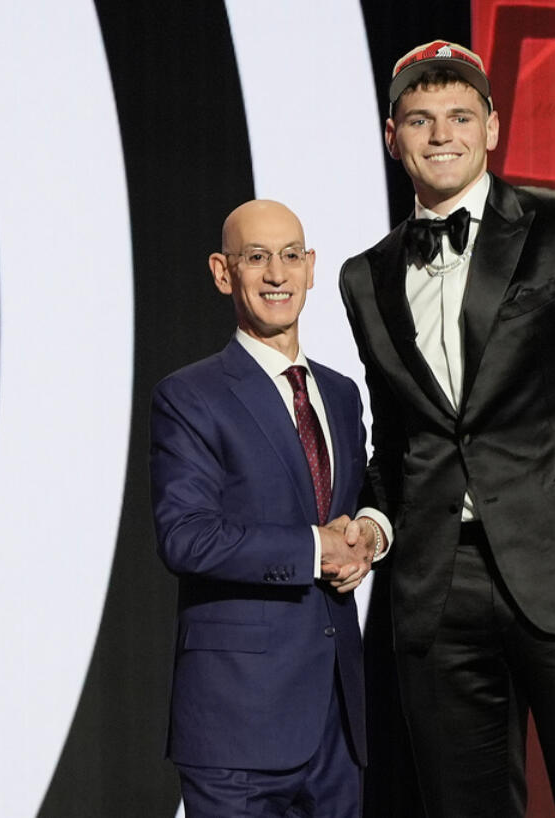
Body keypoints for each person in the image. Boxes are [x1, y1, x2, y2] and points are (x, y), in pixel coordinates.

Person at [339, 40, 555, 817]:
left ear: (491, 127)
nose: (441, 136)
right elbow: (400, 442)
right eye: (420, 119)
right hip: (437, 594)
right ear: (389, 135)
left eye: (460, 116)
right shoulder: (365, 275)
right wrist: (371, 522)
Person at [151, 200, 389, 818]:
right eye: (256, 258)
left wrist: (366, 534)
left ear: (312, 268)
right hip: (237, 727)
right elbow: (186, 537)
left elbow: (358, 504)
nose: (277, 274)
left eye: (290, 256)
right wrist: (316, 549)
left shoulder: (339, 393)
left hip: (339, 723)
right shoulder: (189, 396)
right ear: (223, 272)